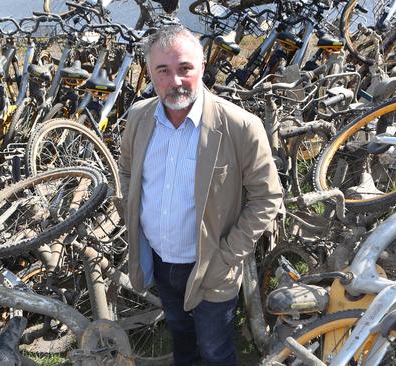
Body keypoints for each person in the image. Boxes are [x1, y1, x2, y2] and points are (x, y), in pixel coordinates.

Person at [117, 24, 283, 365]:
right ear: (150, 73)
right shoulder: (138, 117)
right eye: (163, 71)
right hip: (161, 260)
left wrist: (228, 256)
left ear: (202, 68)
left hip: (212, 266)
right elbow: (127, 171)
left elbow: (267, 197)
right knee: (180, 333)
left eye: (184, 69)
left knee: (215, 348)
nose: (175, 81)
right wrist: (132, 218)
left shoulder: (240, 126)